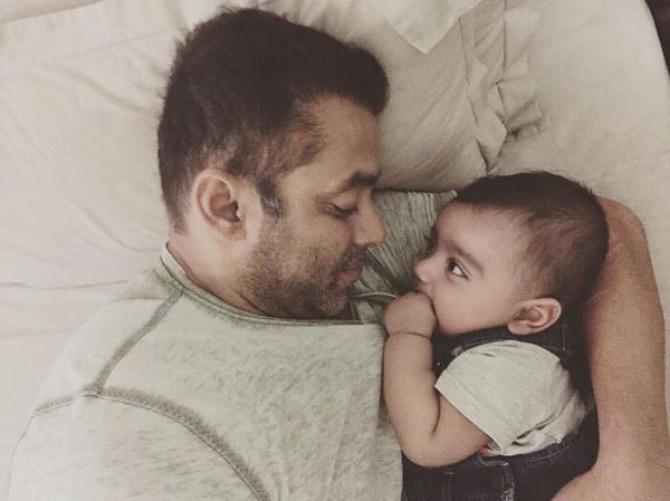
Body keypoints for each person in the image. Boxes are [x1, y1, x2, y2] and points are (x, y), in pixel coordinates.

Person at [7, 8, 669, 501]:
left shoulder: (352, 257)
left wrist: (635, 470)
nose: (378, 229)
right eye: (344, 204)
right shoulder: (125, 432)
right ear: (227, 208)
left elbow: (603, 229)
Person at [383, 172, 607, 500]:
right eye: (431, 245)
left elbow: (426, 443)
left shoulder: (510, 369)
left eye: (455, 268)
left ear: (529, 316)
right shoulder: (494, 327)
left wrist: (407, 335)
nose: (421, 268)